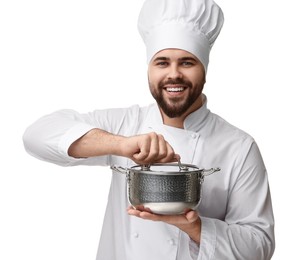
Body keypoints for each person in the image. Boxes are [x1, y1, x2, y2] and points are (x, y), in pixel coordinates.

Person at [23, 0, 275, 259]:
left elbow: (260, 246)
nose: (173, 74)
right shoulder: (126, 124)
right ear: (149, 69)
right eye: (162, 62)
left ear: (205, 69)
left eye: (187, 62)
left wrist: (194, 227)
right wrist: (120, 145)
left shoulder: (239, 147)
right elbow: (36, 135)